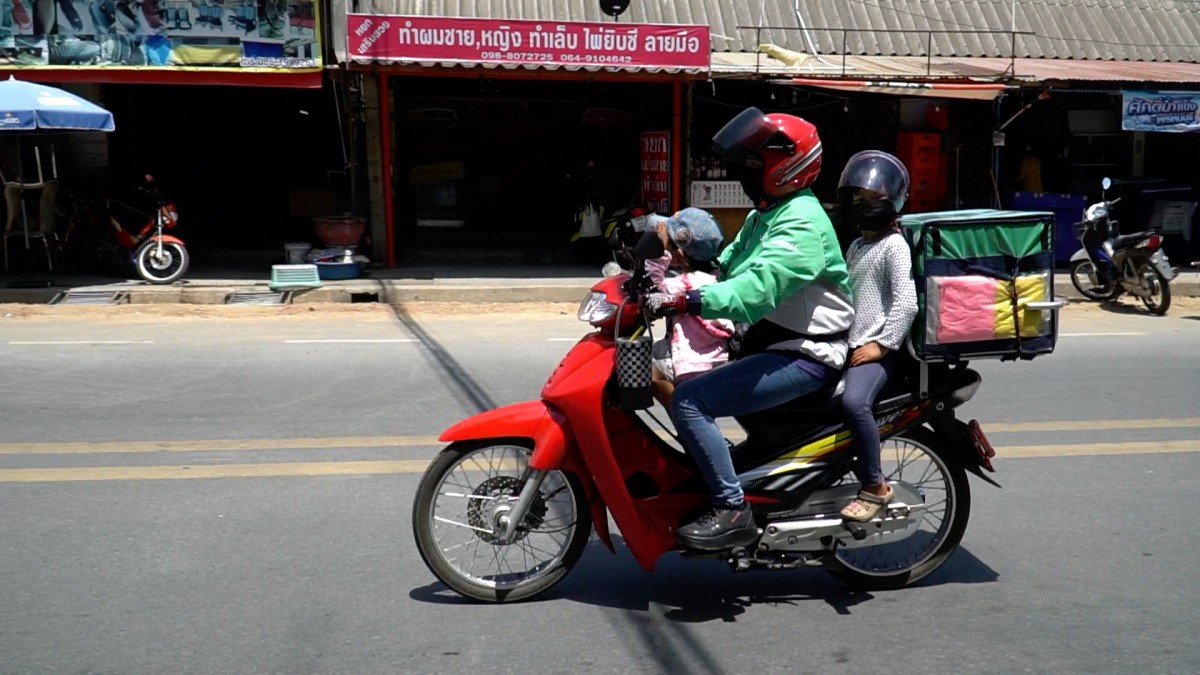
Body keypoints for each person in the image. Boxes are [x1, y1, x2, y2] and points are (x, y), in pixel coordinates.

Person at [646, 107, 855, 551]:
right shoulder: (768, 213)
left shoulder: (801, 223)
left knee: (689, 401)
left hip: (807, 355)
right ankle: (745, 466)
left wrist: (691, 298)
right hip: (773, 340)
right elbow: (729, 266)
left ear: (784, 168)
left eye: (753, 165)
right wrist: (678, 270)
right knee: (691, 376)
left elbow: (756, 289)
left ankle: (731, 509)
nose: (745, 174)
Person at [834, 150, 920, 522]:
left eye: (874, 199)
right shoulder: (856, 246)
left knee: (855, 404)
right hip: (849, 345)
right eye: (859, 200)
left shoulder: (894, 246)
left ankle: (874, 485)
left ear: (893, 203)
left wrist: (880, 345)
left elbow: (907, 305)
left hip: (878, 352)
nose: (865, 206)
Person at [644, 208, 735, 410]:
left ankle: (681, 412)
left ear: (681, 256)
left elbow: (655, 282)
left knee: (646, 372)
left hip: (691, 364)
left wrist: (660, 252)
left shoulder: (685, 283)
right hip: (714, 358)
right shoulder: (715, 277)